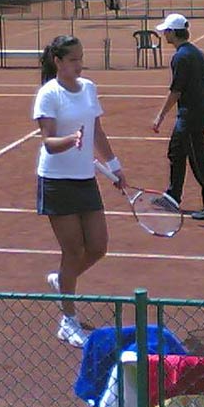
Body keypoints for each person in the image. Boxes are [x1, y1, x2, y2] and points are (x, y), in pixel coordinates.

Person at [33, 35, 126, 348]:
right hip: (57, 180)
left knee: (98, 246)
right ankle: (68, 320)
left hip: (85, 178)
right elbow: (47, 141)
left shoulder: (89, 88)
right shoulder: (49, 94)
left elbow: (97, 131)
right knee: (72, 251)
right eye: (72, 59)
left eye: (80, 58)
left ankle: (63, 281)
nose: (78, 64)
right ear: (57, 62)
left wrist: (114, 166)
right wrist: (70, 139)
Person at [152, 13, 204, 220]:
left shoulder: (181, 57)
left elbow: (176, 91)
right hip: (194, 114)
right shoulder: (197, 53)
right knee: (176, 152)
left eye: (166, 31)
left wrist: (160, 117)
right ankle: (172, 196)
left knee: (199, 161)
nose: (164, 34)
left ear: (173, 33)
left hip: (190, 117)